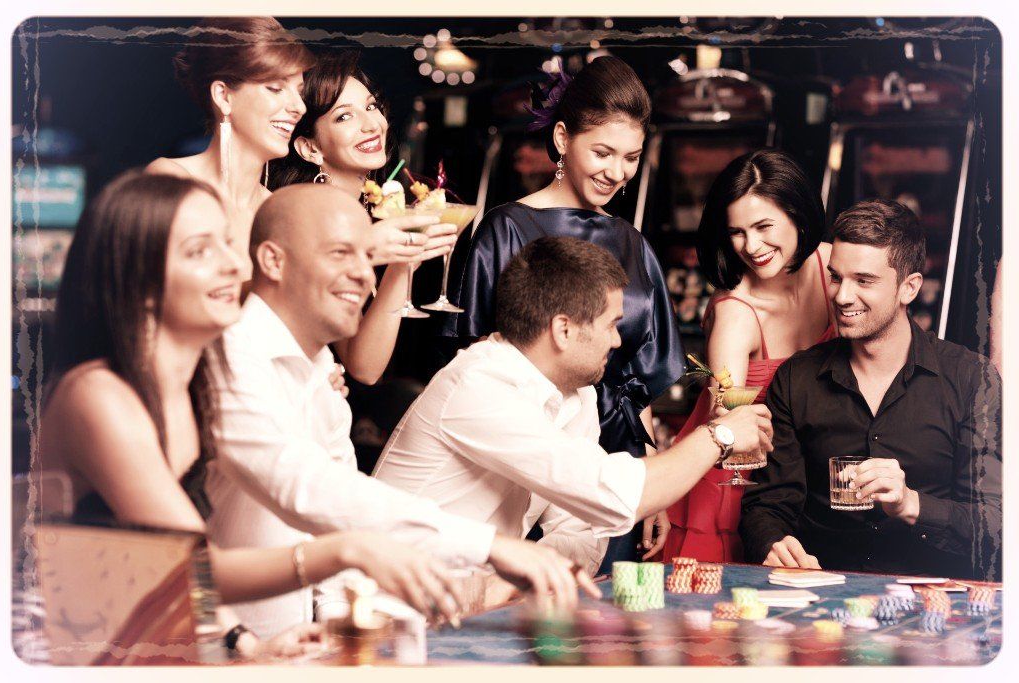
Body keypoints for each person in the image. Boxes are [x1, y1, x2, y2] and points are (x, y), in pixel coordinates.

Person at [36, 171, 468, 659]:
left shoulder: (195, 381)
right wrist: (345, 549)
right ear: (139, 279)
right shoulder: (98, 396)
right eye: (200, 251)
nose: (231, 265)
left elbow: (184, 571)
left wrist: (245, 645)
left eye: (227, 243)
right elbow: (189, 564)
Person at [206, 184, 598, 637]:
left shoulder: (322, 370)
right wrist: (489, 546)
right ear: (273, 261)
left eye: (365, 257)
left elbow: (331, 521)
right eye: (340, 254)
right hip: (196, 645)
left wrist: (339, 627)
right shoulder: (231, 354)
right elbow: (303, 485)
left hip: (281, 644)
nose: (365, 277)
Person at [376, 237, 773, 579]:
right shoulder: (481, 384)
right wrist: (720, 435)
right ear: (563, 330)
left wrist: (519, 582)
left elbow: (583, 525)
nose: (618, 342)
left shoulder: (575, 390)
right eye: (612, 325)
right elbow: (617, 495)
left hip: (471, 606)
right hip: (387, 608)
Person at [442, 56, 684, 569]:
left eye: (631, 157)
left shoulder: (633, 243)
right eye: (602, 152)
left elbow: (635, 378)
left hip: (614, 457)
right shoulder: (504, 229)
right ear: (561, 139)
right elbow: (476, 368)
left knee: (602, 626)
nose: (617, 173)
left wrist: (650, 478)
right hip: (525, 457)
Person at [740, 199, 1002, 581]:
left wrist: (910, 504)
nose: (842, 296)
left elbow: (996, 522)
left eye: (863, 281)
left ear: (909, 287)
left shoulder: (970, 379)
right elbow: (767, 504)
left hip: (933, 603)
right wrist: (772, 541)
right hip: (822, 596)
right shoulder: (797, 378)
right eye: (835, 277)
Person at [660, 149, 834, 563]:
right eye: (737, 231)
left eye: (763, 226)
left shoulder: (833, 267)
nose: (751, 246)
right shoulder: (735, 315)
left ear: (798, 215)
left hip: (803, 475)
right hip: (736, 482)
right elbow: (726, 421)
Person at [269, 52, 459, 384]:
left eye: (371, 107)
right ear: (310, 148)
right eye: (344, 117)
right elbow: (365, 366)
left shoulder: (370, 211)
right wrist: (404, 260)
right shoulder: (310, 219)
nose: (372, 124)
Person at [147, 16, 314, 280]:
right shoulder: (172, 181)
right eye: (276, 88)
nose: (299, 107)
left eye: (299, 92)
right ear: (224, 96)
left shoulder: (278, 213)